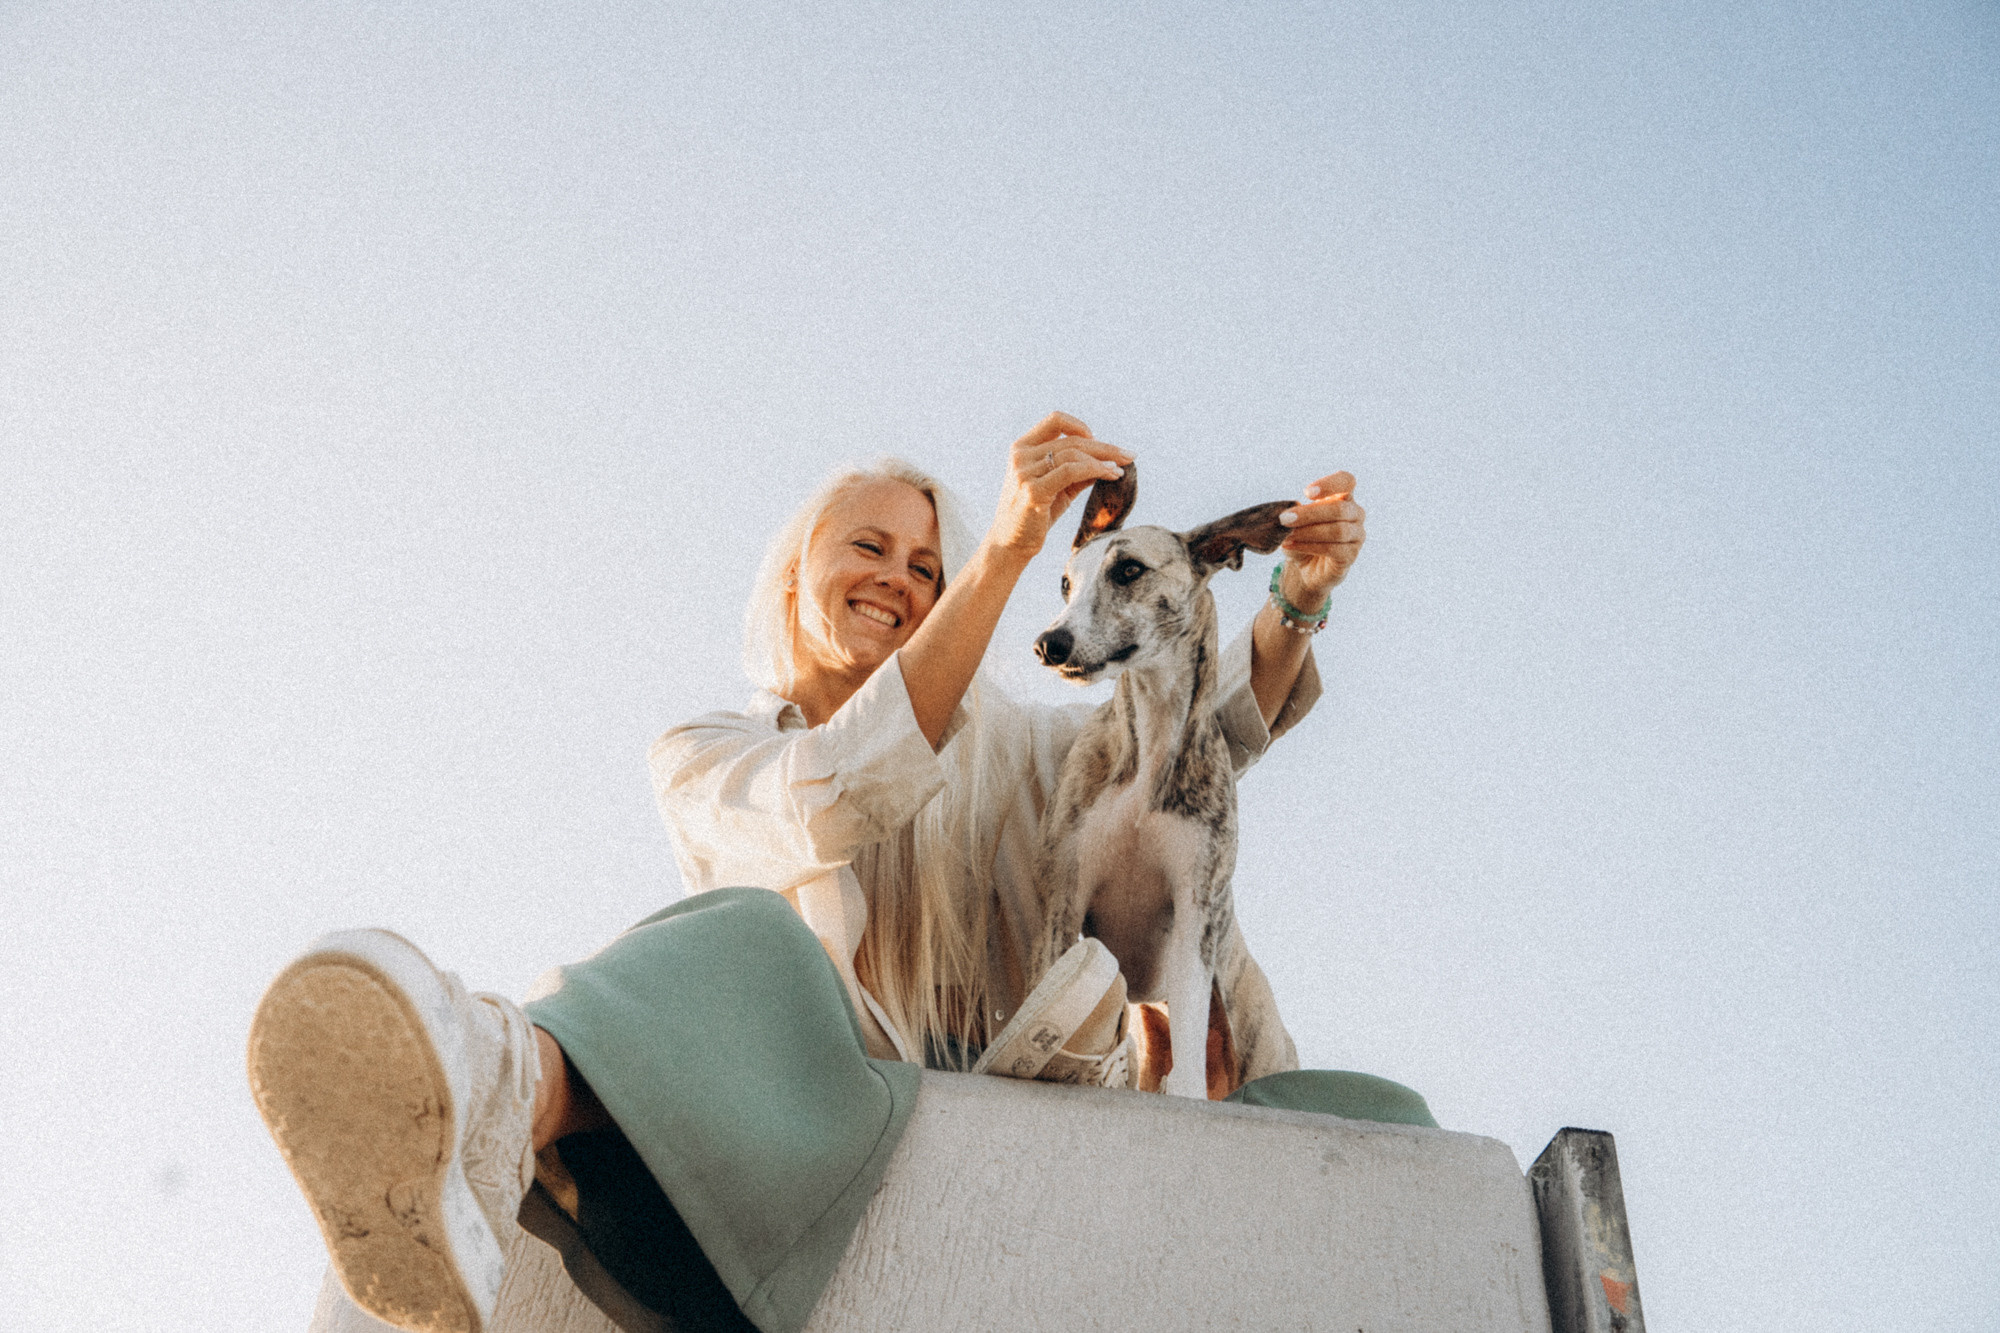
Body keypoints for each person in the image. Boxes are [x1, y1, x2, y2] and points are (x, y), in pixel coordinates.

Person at [248, 413, 1426, 1333]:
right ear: (793, 575)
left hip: (1013, 1152)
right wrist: (1009, 546)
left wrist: (1292, 606)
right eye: (868, 546)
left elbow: (1178, 748)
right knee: (749, 946)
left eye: (926, 563)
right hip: (779, 1186)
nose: (899, 578)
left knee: (1381, 1125)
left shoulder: (1005, 752)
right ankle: (485, 1103)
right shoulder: (709, 753)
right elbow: (825, 793)